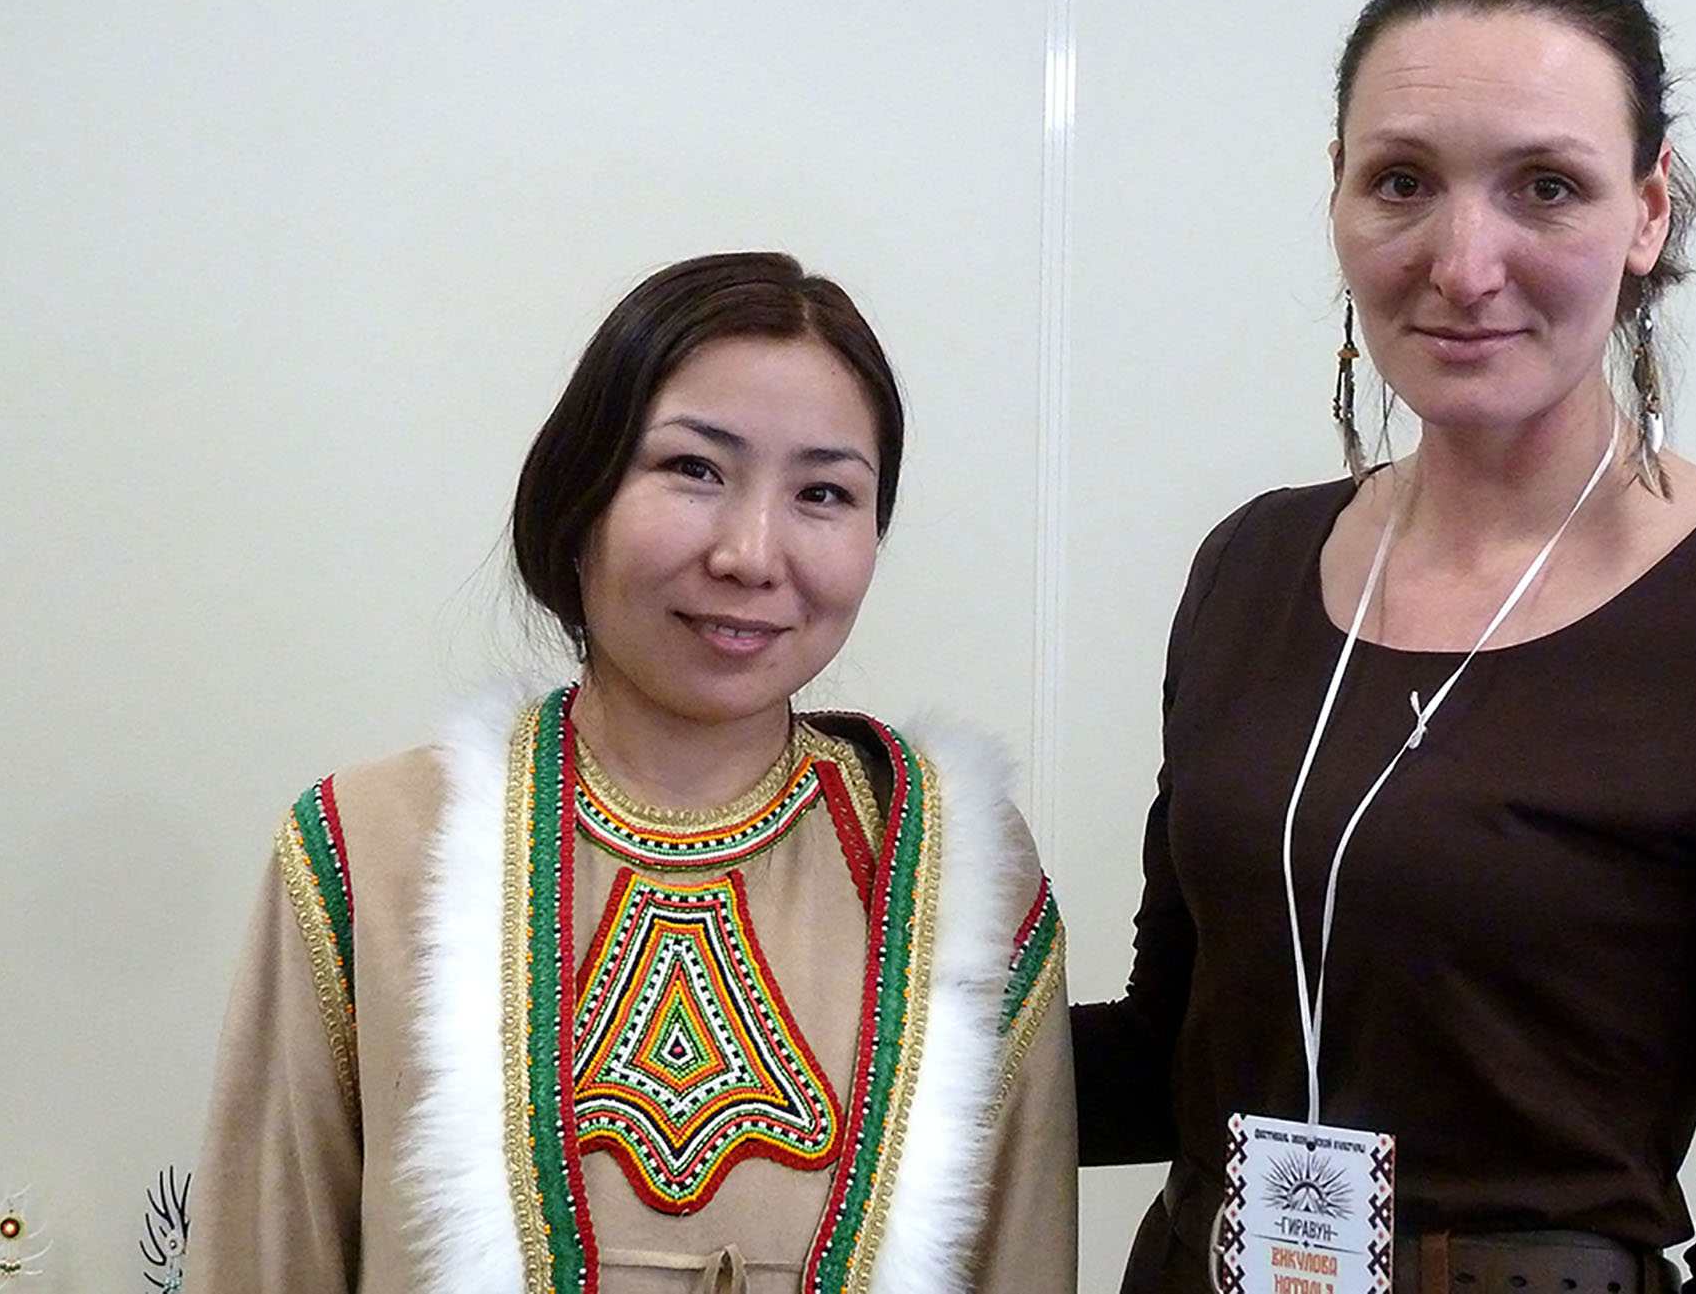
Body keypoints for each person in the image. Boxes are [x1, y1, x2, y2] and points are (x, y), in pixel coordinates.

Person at [1073, 0, 1696, 1294]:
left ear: (1647, 212)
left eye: (1545, 187)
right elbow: (1164, 1055)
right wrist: (837, 1004)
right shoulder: (1251, 566)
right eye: (1403, 181)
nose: (1464, 264)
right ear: (1338, 194)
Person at [190, 252, 1077, 1293]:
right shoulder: (371, 850)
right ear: (581, 494)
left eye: (823, 492)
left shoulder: (951, 869)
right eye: (694, 469)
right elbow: (263, 1255)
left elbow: (1025, 1258)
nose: (752, 554)